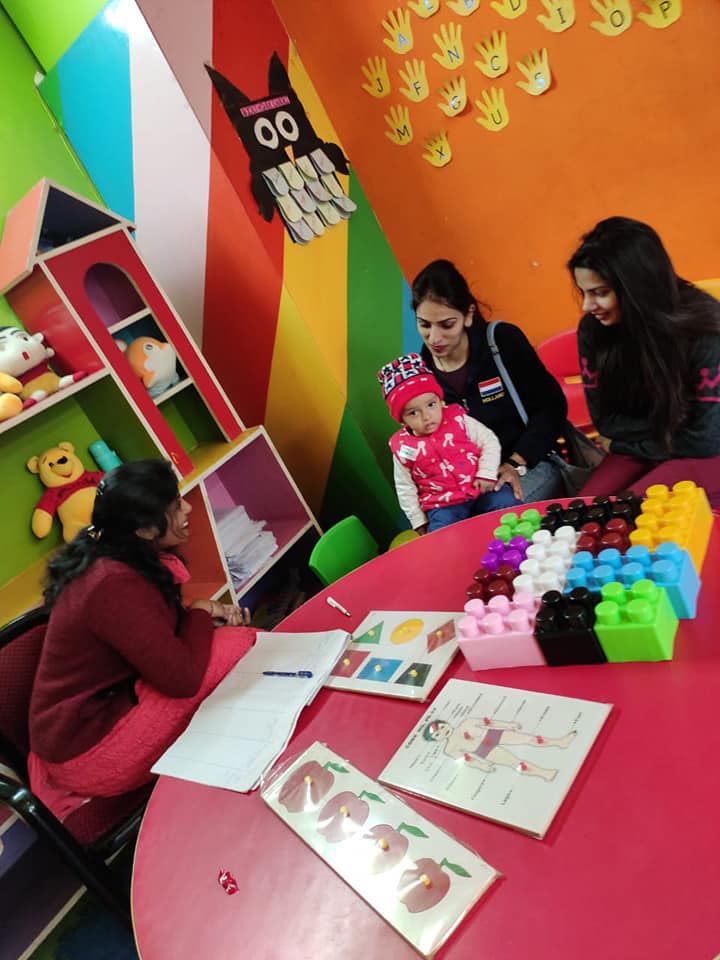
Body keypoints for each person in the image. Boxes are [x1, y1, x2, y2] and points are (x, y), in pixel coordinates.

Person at [28, 459, 256, 827]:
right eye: (175, 505)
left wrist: (199, 619)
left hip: (105, 708)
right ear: (145, 529)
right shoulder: (112, 583)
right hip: (87, 749)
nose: (188, 509)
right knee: (239, 644)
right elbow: (182, 679)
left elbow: (160, 638)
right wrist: (201, 611)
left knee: (228, 649)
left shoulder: (123, 553)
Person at [568, 216, 720, 505]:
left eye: (600, 293)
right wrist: (665, 433)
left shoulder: (706, 326)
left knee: (629, 513)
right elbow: (606, 422)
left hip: (707, 452)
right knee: (584, 510)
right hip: (651, 444)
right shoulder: (592, 329)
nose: (587, 306)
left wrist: (629, 441)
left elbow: (707, 439)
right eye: (583, 292)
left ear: (638, 287)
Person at [412, 259, 568, 504]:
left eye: (447, 325)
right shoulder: (420, 374)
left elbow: (551, 408)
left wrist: (515, 463)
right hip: (469, 483)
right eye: (424, 325)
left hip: (531, 463)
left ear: (468, 315)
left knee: (497, 512)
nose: (434, 338)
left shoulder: (502, 342)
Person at [378, 353, 516, 533]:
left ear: (440, 400)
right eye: (413, 413)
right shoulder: (403, 447)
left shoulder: (459, 420)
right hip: (443, 506)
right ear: (402, 420)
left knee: (506, 503)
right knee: (442, 535)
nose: (426, 417)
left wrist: (486, 473)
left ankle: (517, 542)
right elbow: (405, 486)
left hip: (481, 487)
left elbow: (488, 441)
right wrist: (418, 520)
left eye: (431, 405)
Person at [423, 716, 577, 782]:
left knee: (529, 739)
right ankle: (545, 773)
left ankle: (559, 742)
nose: (443, 731)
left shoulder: (467, 722)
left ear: (446, 723)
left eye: (442, 727)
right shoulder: (450, 748)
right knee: (515, 763)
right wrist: (482, 766)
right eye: (437, 734)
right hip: (483, 750)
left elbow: (489, 722)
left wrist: (508, 725)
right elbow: (466, 760)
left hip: (492, 735)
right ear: (436, 739)